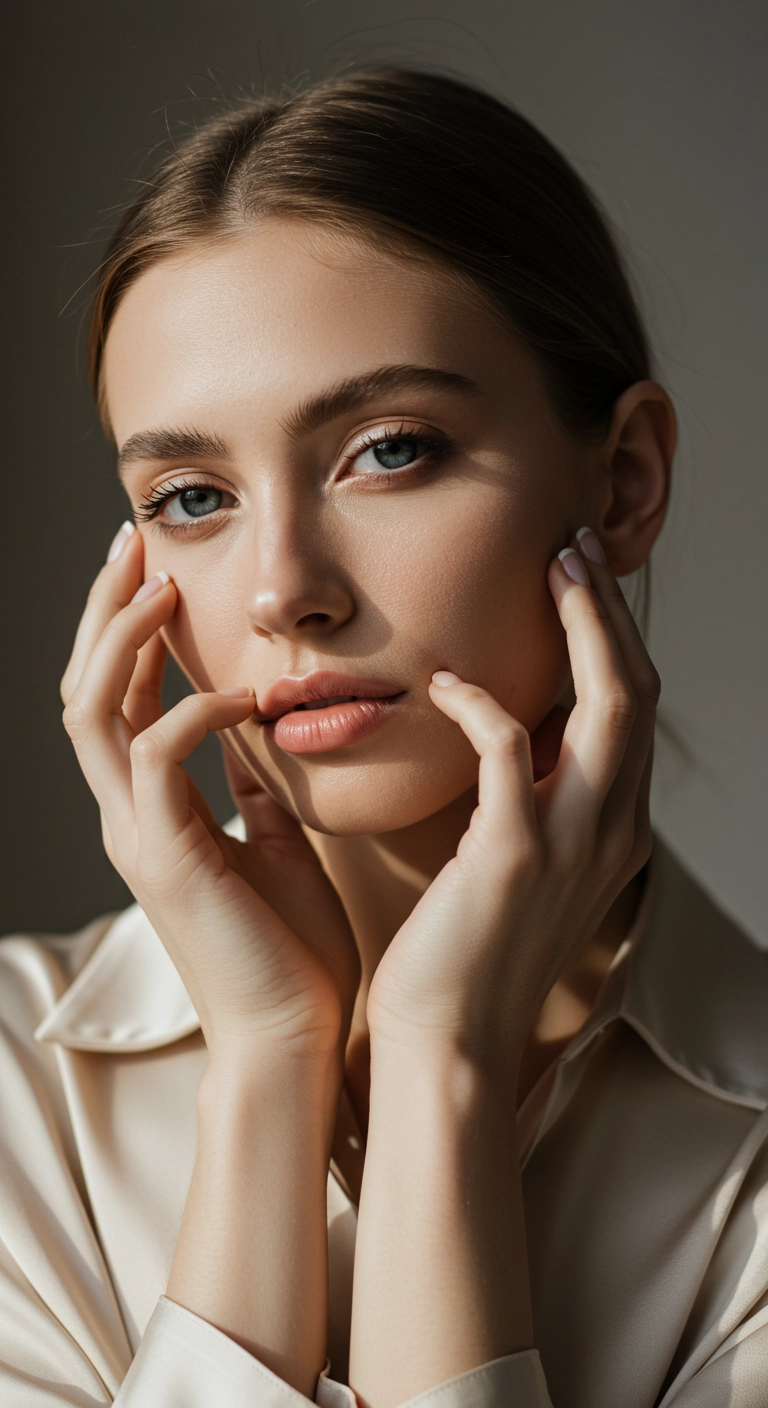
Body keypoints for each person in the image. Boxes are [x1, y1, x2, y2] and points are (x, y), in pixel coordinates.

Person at [1, 68, 766, 1408]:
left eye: (390, 451)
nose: (282, 586)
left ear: (625, 477)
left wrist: (442, 1060)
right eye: (190, 495)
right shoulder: (20, 1087)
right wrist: (268, 1061)